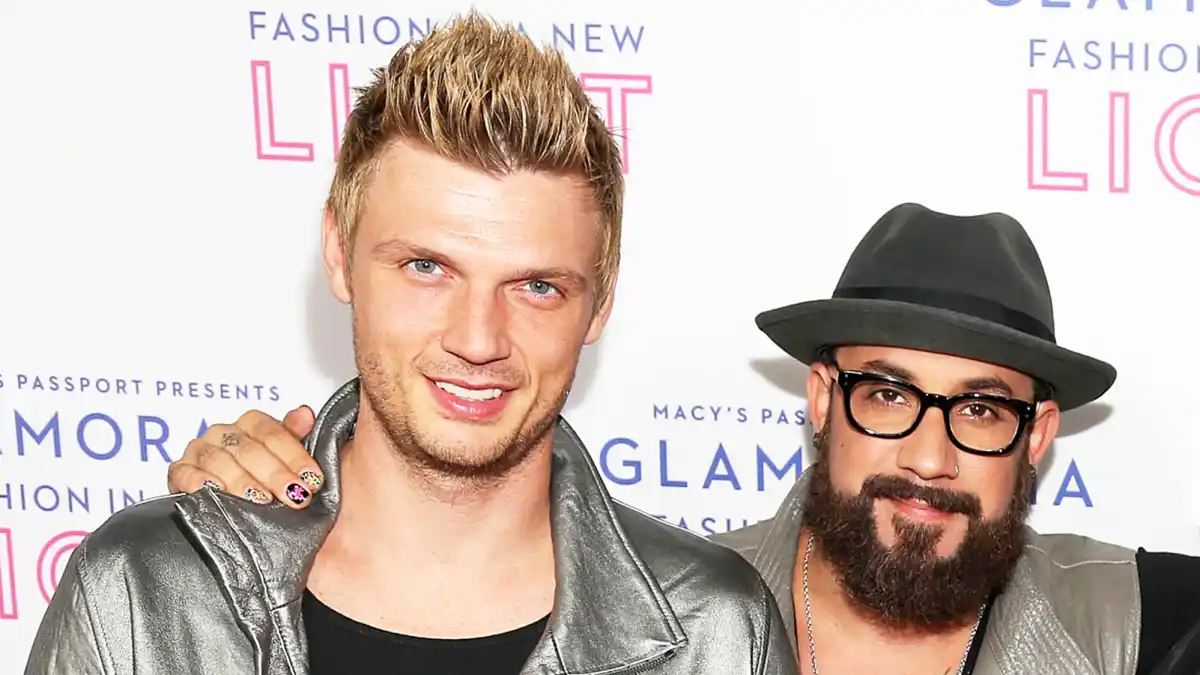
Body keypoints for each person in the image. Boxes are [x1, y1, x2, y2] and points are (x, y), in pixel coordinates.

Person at [23, 13, 797, 675]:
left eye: (537, 287)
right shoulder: (142, 594)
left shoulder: (717, 633)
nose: (477, 337)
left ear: (599, 303)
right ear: (338, 250)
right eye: (427, 267)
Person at [167, 202, 1200, 674]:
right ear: (821, 398)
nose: (929, 458)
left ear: (1039, 435)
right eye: (889, 395)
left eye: (981, 409)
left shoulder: (1147, 624)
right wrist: (259, 518)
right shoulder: (660, 613)